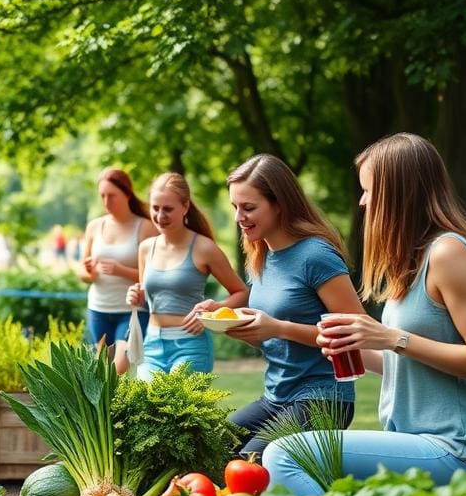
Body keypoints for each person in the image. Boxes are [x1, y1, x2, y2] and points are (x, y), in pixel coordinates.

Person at [264, 134, 466, 495]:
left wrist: (392, 338)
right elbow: (407, 361)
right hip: (414, 440)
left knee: (286, 454)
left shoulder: (448, 253)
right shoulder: (412, 261)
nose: (363, 202)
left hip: (458, 450)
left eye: (369, 190)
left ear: (400, 192)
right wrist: (357, 346)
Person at [224, 154, 366, 459]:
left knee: (248, 464)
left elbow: (356, 331)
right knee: (208, 447)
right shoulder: (260, 255)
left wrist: (278, 328)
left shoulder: (316, 255)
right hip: (276, 396)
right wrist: (238, 325)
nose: (239, 217)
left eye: (248, 208)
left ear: (280, 204)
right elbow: (274, 335)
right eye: (235, 207)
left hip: (323, 398)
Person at [126, 172, 248, 378]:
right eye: (155, 208)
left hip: (191, 345)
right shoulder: (146, 248)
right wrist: (137, 297)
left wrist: (214, 310)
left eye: (168, 209)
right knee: (146, 408)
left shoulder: (204, 248)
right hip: (152, 344)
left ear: (185, 206)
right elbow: (149, 298)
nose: (160, 216)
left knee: (176, 408)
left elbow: (242, 292)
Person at [78, 168, 157, 374]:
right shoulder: (95, 226)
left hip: (131, 310)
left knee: (118, 369)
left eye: (112, 195)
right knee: (102, 371)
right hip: (99, 308)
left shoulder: (145, 227)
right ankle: (109, 408)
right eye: (102, 196)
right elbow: (82, 273)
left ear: (127, 194)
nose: (106, 201)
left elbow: (153, 276)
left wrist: (120, 270)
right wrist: (90, 273)